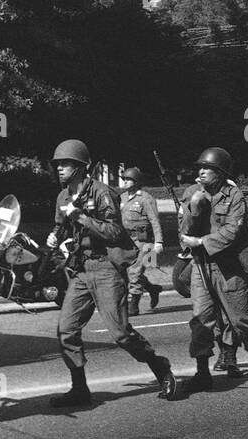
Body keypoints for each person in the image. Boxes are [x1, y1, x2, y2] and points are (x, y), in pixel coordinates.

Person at [47, 139, 180, 406]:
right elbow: (61, 226)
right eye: (58, 164)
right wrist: (54, 236)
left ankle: (160, 366)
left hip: (106, 268)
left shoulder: (101, 192)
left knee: (121, 334)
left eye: (66, 164)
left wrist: (81, 217)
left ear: (80, 167)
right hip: (81, 269)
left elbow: (116, 231)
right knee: (66, 330)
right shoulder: (63, 197)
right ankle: (79, 388)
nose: (59, 168)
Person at [178, 147, 248, 388]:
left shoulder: (233, 195)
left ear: (220, 173)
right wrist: (194, 207)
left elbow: (232, 231)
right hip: (201, 266)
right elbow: (182, 233)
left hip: (229, 266)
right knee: (201, 319)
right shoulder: (191, 193)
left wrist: (201, 242)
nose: (202, 171)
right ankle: (202, 373)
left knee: (241, 319)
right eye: (200, 168)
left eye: (208, 168)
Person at [118, 166, 163, 314]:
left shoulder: (146, 198)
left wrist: (158, 242)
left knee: (135, 272)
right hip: (126, 240)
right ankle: (152, 288)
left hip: (143, 240)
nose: (125, 181)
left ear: (136, 181)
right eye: (124, 179)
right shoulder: (122, 197)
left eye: (128, 179)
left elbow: (155, 220)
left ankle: (134, 305)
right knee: (126, 271)